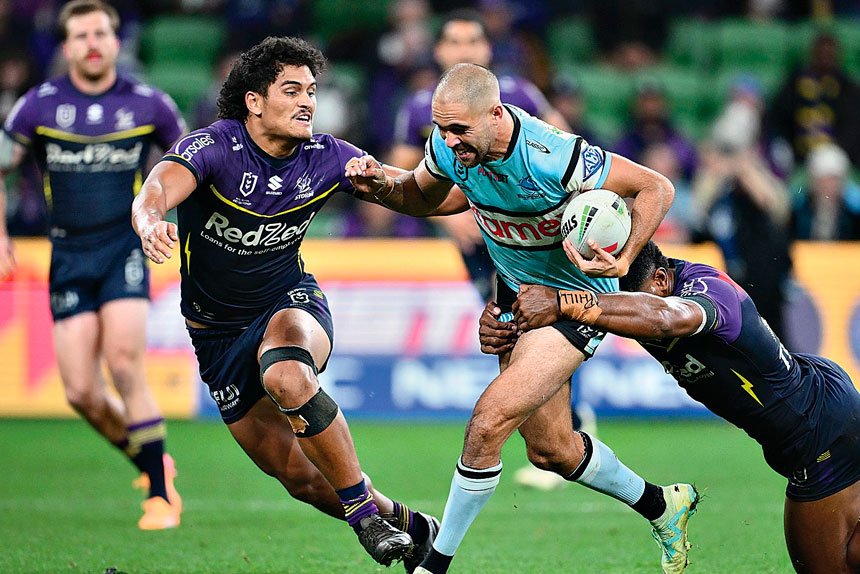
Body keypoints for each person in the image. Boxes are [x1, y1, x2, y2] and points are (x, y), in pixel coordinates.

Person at [346, 62, 697, 574]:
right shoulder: (450, 146)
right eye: (441, 128)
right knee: (551, 450)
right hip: (513, 298)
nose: (448, 140)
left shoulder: (553, 155)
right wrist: (380, 183)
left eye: (459, 130)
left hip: (572, 301)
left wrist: (623, 261)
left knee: (488, 423)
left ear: (495, 115)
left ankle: (434, 563)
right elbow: (421, 196)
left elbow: (656, 187)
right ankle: (664, 506)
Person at [130, 36, 438, 570]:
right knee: (300, 479)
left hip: (289, 303)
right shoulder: (215, 148)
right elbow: (156, 188)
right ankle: (409, 522)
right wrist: (150, 220)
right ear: (254, 101)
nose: (307, 102)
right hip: (216, 334)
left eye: (312, 91)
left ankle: (366, 522)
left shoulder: (330, 156)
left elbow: (415, 195)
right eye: (291, 90)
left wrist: (389, 186)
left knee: (287, 375)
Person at [502, 240, 860, 574]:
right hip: (806, 420)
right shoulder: (633, 293)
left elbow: (666, 318)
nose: (619, 311)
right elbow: (568, 334)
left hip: (818, 428)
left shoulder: (708, 290)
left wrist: (565, 302)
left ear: (660, 279)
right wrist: (506, 328)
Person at [0, 0, 184, 530]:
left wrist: (172, 221)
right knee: (81, 392)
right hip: (67, 254)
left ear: (115, 39)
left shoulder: (150, 103)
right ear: (67, 47)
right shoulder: (39, 105)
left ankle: (159, 497)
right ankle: (153, 463)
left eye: (101, 32)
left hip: (124, 249)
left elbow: (194, 162)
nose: (93, 43)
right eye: (81, 36)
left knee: (124, 362)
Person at [690, 94, 793, 342]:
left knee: (773, 346)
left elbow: (773, 205)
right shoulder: (714, 183)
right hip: (724, 283)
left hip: (763, 280)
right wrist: (717, 168)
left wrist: (743, 164)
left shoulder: (757, 176)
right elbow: (698, 212)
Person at [792, 142, 860, 241]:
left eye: (833, 180)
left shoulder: (854, 216)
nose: (828, 186)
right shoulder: (797, 212)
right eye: (822, 180)